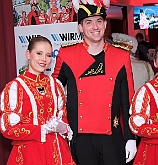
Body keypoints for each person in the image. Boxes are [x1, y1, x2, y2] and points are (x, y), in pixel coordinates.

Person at [52, 0, 137, 165]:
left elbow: (128, 101)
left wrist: (130, 137)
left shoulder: (121, 55)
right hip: (79, 139)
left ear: (105, 24)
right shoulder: (66, 54)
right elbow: (53, 92)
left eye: (99, 21)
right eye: (88, 22)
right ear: (80, 27)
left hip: (112, 137)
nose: (95, 27)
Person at [0, 36, 75, 165]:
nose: (44, 59)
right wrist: (41, 129)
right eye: (39, 53)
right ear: (28, 54)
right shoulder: (15, 87)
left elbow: (62, 114)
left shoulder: (55, 85)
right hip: (30, 154)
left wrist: (63, 127)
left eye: (48, 55)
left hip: (58, 151)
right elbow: (8, 128)